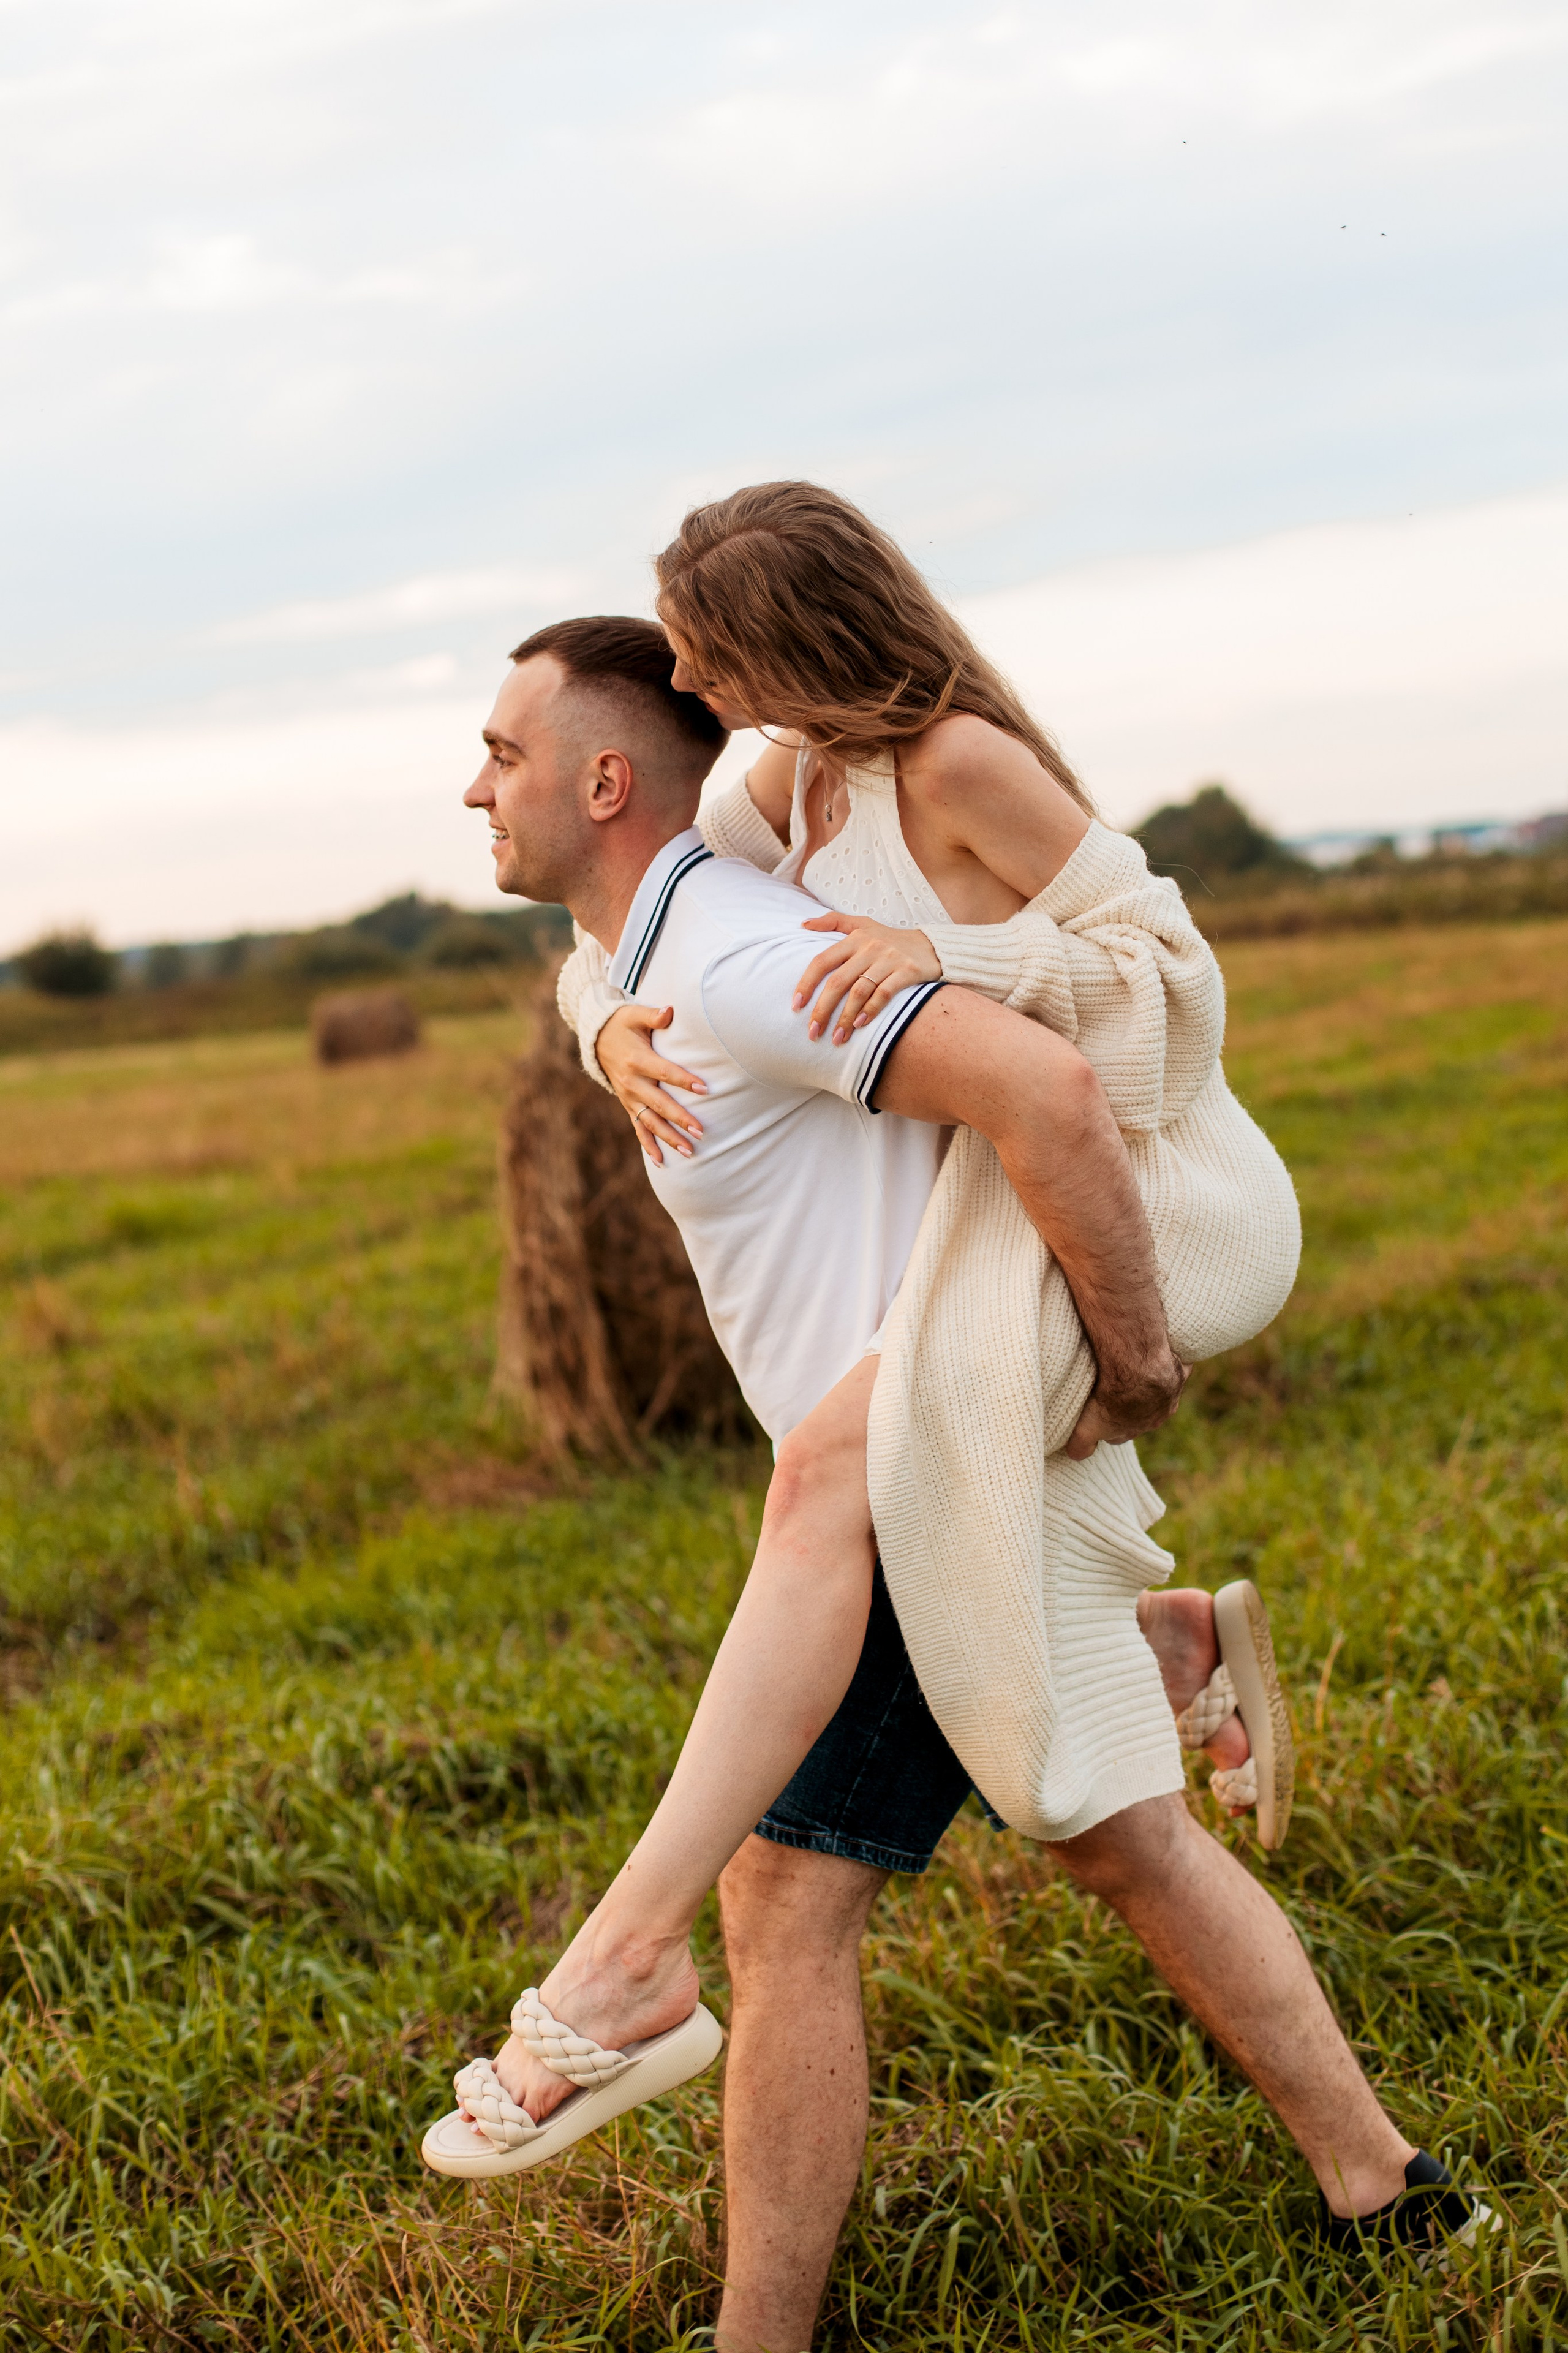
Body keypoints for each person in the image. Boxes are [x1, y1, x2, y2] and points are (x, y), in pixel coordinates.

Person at [420, 618, 1485, 2349]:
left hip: (916, 1482)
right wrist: (600, 1028)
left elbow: (1043, 1087)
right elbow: (615, 963)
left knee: (782, 1900)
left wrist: (1135, 1356)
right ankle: (1387, 2180)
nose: (476, 786)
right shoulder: (660, 945)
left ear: (604, 782)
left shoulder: (742, 957)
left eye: (502, 753)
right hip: (930, 1469)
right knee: (1127, 1838)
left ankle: (740, 2296)